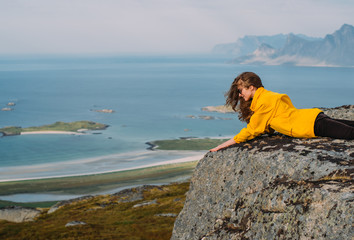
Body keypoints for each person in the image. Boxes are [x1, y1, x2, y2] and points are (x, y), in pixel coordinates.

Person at [210, 72, 354, 152]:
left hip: (311, 125)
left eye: (241, 91)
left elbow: (251, 131)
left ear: (251, 87)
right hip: (314, 118)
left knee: (350, 134)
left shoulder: (263, 102)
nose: (240, 95)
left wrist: (222, 145)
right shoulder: (267, 95)